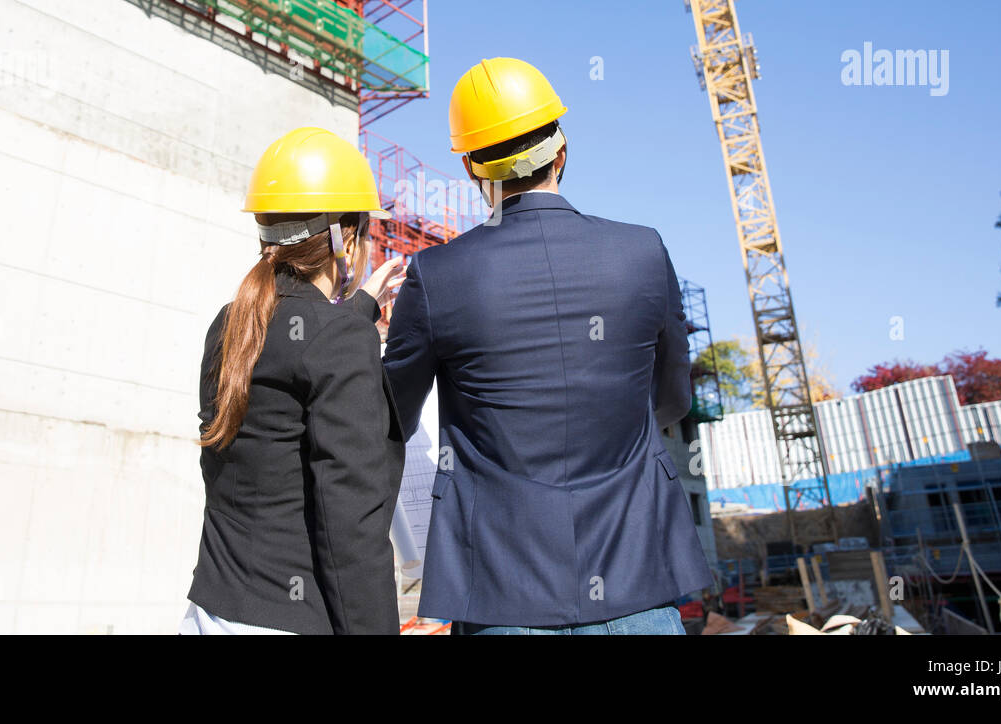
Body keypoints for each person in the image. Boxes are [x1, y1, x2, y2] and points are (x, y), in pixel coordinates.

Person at [381, 57, 712, 635]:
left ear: (471, 169)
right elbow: (672, 400)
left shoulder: (437, 275)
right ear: (561, 151)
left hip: (502, 599)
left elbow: (391, 420)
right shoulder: (642, 253)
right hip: (637, 596)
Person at [181, 127, 405, 635]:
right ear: (343, 237)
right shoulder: (337, 340)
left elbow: (294, 351)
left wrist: (357, 312)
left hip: (212, 613)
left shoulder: (230, 322)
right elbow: (352, 526)